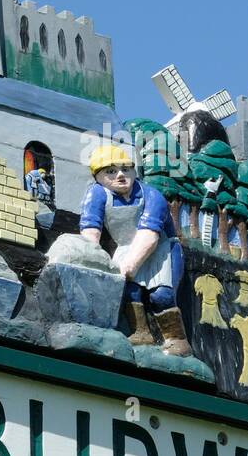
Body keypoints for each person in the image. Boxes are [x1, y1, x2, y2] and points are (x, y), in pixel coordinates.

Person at [80, 144, 192, 356]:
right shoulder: (96, 194)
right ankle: (141, 333)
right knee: (130, 290)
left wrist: (129, 267)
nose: (120, 175)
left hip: (161, 249)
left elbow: (149, 236)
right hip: (125, 246)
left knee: (162, 295)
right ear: (99, 176)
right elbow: (91, 229)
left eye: (125, 169)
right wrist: (90, 258)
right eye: (111, 171)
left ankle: (177, 340)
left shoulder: (152, 195)